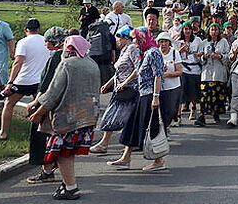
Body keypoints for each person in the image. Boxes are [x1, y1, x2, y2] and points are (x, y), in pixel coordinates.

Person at [28, 36, 99, 200]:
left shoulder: (67, 64)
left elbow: (53, 94)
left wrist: (38, 112)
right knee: (68, 152)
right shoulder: (92, 64)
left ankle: (71, 187)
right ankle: (68, 184)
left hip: (67, 117)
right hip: (88, 116)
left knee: (63, 153)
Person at [112, 28, 168, 172]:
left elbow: (158, 75)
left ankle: (159, 160)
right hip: (142, 93)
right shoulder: (144, 52)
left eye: (136, 38)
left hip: (150, 95)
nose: (134, 42)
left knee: (152, 126)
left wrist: (156, 97)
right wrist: (124, 83)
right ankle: (125, 158)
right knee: (132, 125)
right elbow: (137, 71)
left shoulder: (153, 52)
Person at [0, 18, 49, 140]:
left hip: (24, 80)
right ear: (39, 29)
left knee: (9, 103)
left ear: (25, 29)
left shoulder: (23, 42)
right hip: (40, 80)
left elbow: (18, 62)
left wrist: (10, 82)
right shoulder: (45, 41)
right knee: (40, 105)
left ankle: (3, 132)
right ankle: (43, 133)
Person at [24, 26, 67, 185]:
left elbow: (47, 83)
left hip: (49, 102)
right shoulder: (71, 55)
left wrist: (36, 102)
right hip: (63, 102)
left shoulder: (56, 57)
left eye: (47, 41)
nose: (45, 44)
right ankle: (53, 167)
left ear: (55, 42)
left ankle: (46, 170)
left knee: (42, 135)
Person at [90, 26, 140, 154]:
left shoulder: (132, 49)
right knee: (118, 116)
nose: (117, 41)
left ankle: (105, 143)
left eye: (119, 38)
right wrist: (108, 84)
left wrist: (125, 83)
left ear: (126, 38)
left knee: (114, 116)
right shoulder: (124, 50)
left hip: (128, 89)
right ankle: (119, 143)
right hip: (119, 88)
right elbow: (119, 72)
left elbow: (138, 69)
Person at [197, 22, 230, 126]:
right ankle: (202, 116)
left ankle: (216, 114)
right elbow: (199, 58)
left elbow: (228, 56)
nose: (214, 32)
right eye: (212, 30)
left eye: (216, 30)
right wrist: (204, 57)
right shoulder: (204, 42)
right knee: (205, 96)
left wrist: (220, 56)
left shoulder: (223, 42)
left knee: (217, 95)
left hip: (218, 73)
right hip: (207, 73)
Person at [175, 22, 203, 125]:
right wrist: (180, 50)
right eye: (185, 29)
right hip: (183, 68)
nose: (187, 31)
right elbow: (174, 55)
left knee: (193, 91)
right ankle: (178, 116)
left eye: (189, 29)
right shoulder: (178, 41)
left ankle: (193, 108)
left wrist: (198, 54)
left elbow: (201, 54)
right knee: (181, 91)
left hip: (194, 68)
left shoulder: (197, 40)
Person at [155, 32, 183, 129]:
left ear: (169, 43)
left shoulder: (175, 53)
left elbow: (179, 71)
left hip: (173, 87)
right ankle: (162, 130)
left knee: (170, 110)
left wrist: (168, 74)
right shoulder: (156, 53)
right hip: (159, 88)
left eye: (165, 42)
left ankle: (166, 126)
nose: (163, 44)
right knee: (160, 111)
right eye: (161, 42)